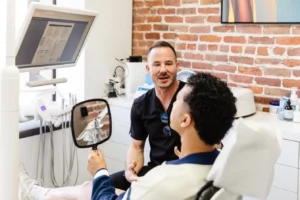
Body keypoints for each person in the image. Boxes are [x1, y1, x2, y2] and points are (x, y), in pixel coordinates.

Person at [19, 40, 187, 200]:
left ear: (177, 66)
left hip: (181, 177)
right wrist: (131, 172)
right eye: (157, 64)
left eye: (168, 63)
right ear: (148, 69)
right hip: (154, 172)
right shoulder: (141, 104)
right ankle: (39, 193)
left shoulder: (192, 98)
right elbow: (137, 146)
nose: (163, 70)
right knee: (93, 186)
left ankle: (38, 193)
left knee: (92, 190)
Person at [88, 73, 237, 199]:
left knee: (82, 190)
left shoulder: (162, 180)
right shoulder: (228, 168)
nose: (172, 104)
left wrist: (99, 171)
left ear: (185, 120)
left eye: (177, 100)